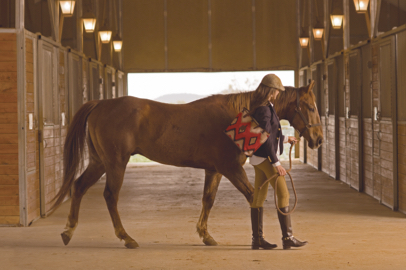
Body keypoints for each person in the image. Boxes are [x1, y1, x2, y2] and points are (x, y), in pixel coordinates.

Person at [249, 74, 307, 250]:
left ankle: (257, 239)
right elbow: (265, 138)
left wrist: (284, 138)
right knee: (283, 194)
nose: (278, 94)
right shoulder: (265, 109)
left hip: (258, 158)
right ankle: (287, 237)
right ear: (270, 91)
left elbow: (268, 133)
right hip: (266, 158)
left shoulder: (263, 106)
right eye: (276, 91)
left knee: (258, 197)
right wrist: (277, 164)